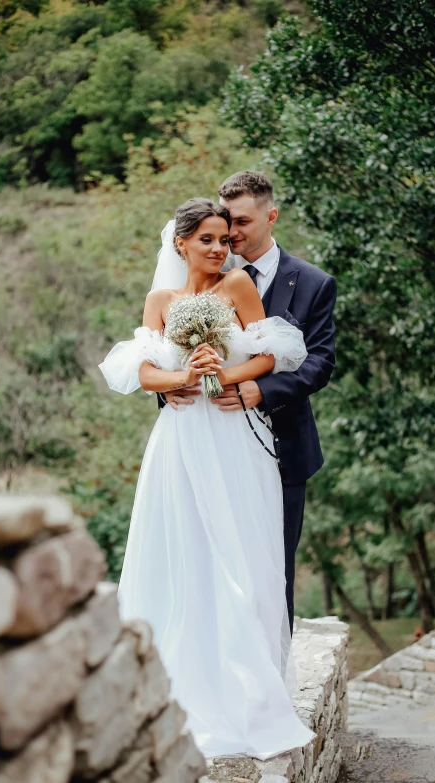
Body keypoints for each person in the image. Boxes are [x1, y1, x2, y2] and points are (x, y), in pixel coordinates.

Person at [99, 197, 314, 760]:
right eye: (209, 241)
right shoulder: (160, 300)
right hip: (180, 440)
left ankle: (249, 694)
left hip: (234, 437)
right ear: (181, 243)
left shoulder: (239, 287)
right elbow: (140, 370)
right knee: (180, 552)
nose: (221, 249)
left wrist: (225, 372)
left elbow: (275, 353)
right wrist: (178, 376)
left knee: (241, 555)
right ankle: (177, 685)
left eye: (225, 239)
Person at [162, 172, 337, 634]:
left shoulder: (314, 283)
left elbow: (320, 362)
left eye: (239, 222)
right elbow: (164, 351)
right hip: (208, 443)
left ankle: (271, 684)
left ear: (270, 215)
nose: (230, 233)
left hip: (283, 446)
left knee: (271, 568)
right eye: (223, 222)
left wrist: (265, 389)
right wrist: (169, 386)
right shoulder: (194, 281)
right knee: (205, 560)